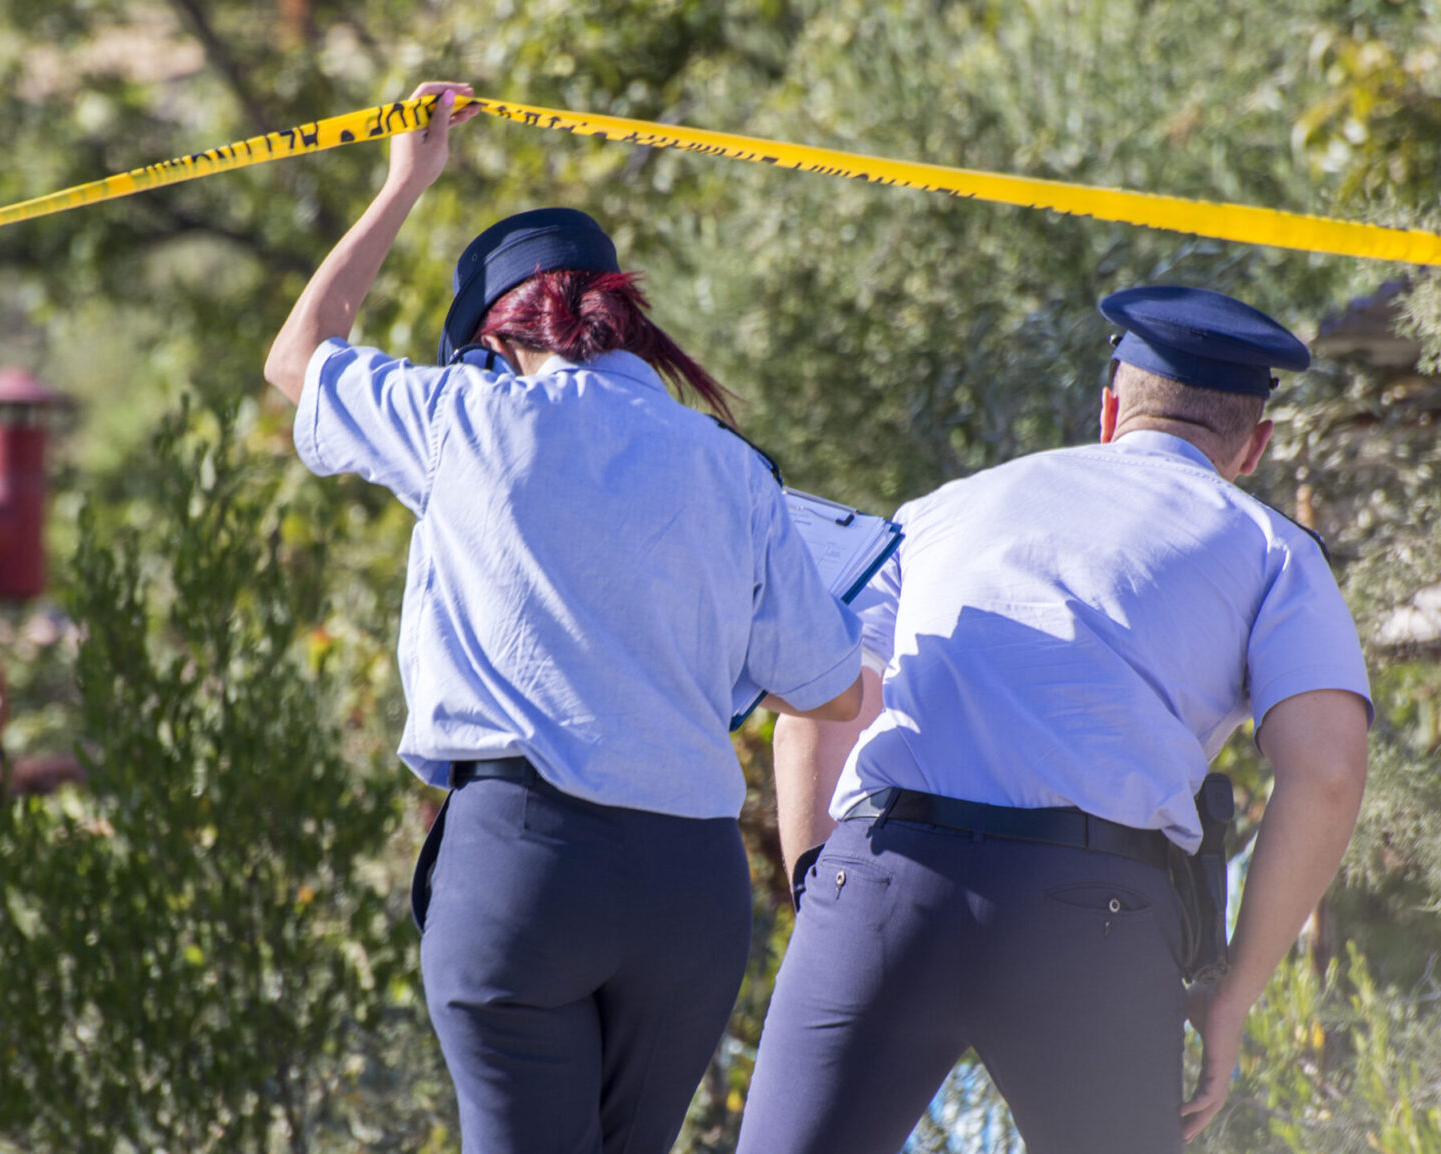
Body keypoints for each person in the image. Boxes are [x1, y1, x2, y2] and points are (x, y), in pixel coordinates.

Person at [264, 82, 867, 1154]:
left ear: (494, 342)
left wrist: (407, 179)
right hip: (688, 885)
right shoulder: (732, 470)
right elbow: (827, 689)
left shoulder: (462, 418)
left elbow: (296, 355)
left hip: (523, 866)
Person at [736, 285, 1373, 1154]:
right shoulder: (1272, 551)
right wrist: (1231, 996)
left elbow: (819, 698)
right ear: (1254, 446)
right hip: (1092, 912)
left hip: (883, 876)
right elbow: (1328, 774)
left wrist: (825, 896)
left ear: (1110, 408)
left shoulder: (942, 508)